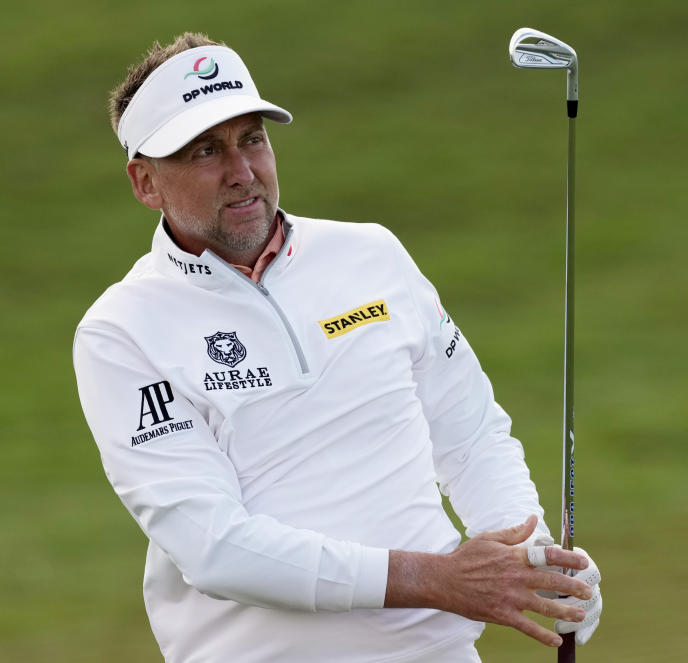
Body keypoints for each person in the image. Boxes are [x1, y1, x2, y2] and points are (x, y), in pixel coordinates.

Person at [73, 33, 602, 663]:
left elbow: (471, 437)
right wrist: (439, 581)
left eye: (252, 139)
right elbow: (214, 547)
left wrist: (534, 563)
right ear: (145, 182)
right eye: (204, 151)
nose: (241, 172)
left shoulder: (371, 254)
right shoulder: (122, 329)